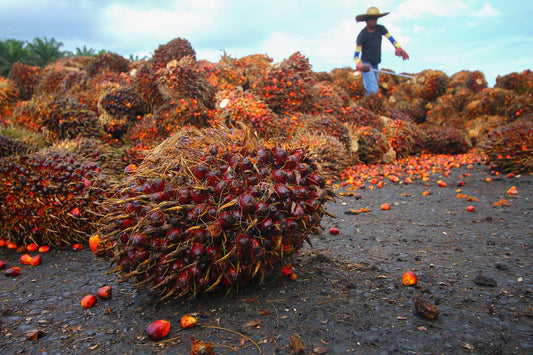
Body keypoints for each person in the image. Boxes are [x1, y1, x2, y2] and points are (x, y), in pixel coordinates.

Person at [353, 7, 409, 95]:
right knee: (373, 90)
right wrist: (359, 63)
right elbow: (356, 55)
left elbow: (391, 39)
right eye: (372, 19)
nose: (374, 21)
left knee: (375, 88)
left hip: (375, 63)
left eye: (376, 19)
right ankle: (365, 108)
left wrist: (398, 47)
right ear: (366, 20)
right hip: (366, 64)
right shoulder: (362, 35)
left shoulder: (381, 29)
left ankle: (367, 107)